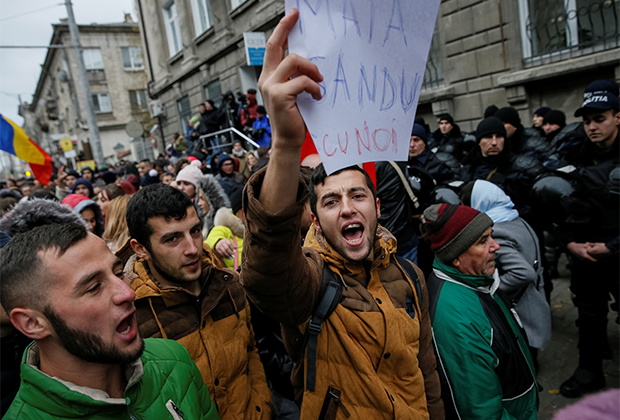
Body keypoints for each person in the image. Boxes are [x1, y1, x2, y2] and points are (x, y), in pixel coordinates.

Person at [241, 10, 443, 419]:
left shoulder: (410, 278)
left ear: (378, 208)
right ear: (314, 220)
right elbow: (266, 274)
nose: (347, 206)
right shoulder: (312, 282)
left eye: (357, 196)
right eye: (331, 201)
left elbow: (426, 374)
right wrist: (284, 144)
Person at [0, 223, 219, 419]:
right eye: (94, 287)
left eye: (119, 272)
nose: (127, 293)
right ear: (32, 323)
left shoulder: (174, 358)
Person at [125, 184, 271, 419]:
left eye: (194, 231)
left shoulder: (229, 285)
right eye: (172, 239)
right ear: (141, 248)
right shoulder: (131, 314)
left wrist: (261, 407)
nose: (192, 248)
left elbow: (250, 351)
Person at [421, 203, 539, 419]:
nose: (496, 246)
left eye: (491, 236)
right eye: (482, 241)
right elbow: (481, 411)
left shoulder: (479, 281)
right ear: (455, 257)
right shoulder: (457, 320)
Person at [557, 90, 619, 398]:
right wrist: (571, 244)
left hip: (616, 250)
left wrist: (613, 246)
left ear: (617, 117)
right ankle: (590, 372)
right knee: (590, 316)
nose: (592, 126)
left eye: (600, 119)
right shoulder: (574, 154)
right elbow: (560, 208)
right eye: (587, 121)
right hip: (585, 253)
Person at [464, 180, 552, 369]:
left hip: (520, 305)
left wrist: (493, 290)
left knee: (522, 357)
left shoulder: (498, 230)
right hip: (535, 296)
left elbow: (523, 272)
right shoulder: (516, 218)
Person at [205, 187, 245, 270]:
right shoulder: (225, 228)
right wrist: (218, 242)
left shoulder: (261, 230)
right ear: (239, 211)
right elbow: (209, 241)